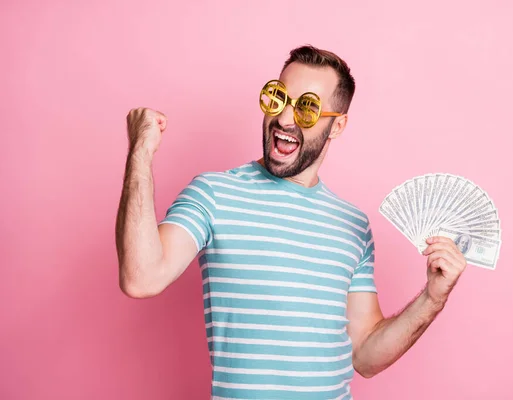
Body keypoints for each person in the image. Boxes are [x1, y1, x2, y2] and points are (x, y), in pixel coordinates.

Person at [115, 45, 467, 399]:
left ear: (337, 125)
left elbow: (365, 356)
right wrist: (141, 153)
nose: (284, 119)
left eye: (307, 108)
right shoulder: (214, 194)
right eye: (278, 98)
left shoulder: (353, 226)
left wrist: (432, 298)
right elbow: (141, 277)